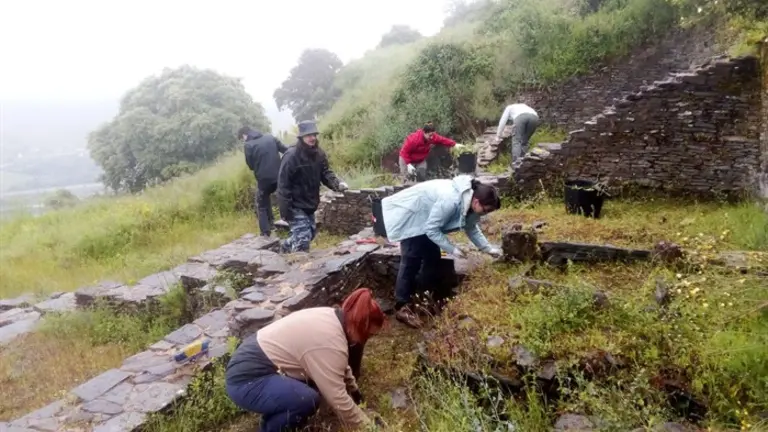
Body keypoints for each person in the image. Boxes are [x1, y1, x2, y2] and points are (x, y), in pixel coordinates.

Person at [225, 288, 387, 432]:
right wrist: (369, 427)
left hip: (258, 362)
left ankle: (277, 412)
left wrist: (356, 394)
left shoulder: (333, 317)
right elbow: (337, 397)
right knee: (306, 399)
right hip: (247, 379)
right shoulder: (330, 342)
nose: (368, 339)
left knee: (309, 391)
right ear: (358, 325)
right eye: (369, 335)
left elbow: (340, 366)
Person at [381, 174, 503, 328]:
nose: (484, 214)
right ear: (477, 201)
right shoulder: (451, 200)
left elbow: (471, 227)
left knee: (433, 259)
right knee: (410, 261)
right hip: (412, 217)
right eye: (485, 210)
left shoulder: (471, 203)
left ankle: (422, 299)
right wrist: (452, 249)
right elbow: (431, 229)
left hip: (429, 220)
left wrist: (488, 248)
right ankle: (402, 306)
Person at [277, 120, 348, 253]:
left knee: (310, 233)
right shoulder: (291, 156)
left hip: (310, 202)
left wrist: (338, 185)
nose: (312, 138)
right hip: (295, 204)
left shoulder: (318, 154)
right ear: (302, 137)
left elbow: (325, 173)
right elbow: (283, 184)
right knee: (303, 240)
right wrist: (285, 210)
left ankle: (285, 247)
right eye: (309, 135)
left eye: (314, 134)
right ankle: (299, 267)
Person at [239, 126, 290, 237]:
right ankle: (285, 223)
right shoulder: (270, 137)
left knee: (261, 203)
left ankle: (265, 232)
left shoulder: (248, 145)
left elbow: (251, 166)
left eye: (242, 138)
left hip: (264, 179)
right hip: (279, 176)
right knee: (284, 197)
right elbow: (286, 150)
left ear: (244, 135)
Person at [399, 122, 463, 182]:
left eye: (433, 135)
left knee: (421, 176)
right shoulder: (413, 139)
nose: (432, 137)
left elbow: (443, 140)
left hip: (420, 160)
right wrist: (408, 164)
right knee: (407, 178)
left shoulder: (432, 137)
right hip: (406, 159)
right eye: (430, 135)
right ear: (424, 132)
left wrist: (455, 144)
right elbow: (404, 152)